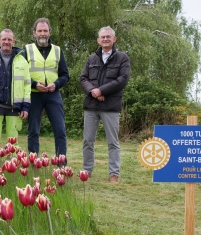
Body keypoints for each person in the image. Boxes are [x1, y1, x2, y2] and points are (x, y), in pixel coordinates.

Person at [79, 26, 131, 183]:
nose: (106, 39)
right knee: (88, 141)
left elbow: (122, 80)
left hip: (111, 106)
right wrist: (94, 92)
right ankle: (87, 171)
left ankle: (114, 174)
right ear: (98, 40)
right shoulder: (91, 59)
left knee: (113, 142)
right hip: (91, 105)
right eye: (103, 37)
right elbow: (83, 79)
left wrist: (101, 91)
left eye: (109, 36)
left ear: (114, 39)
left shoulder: (122, 58)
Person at [24, 18, 69, 164]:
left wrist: (56, 84)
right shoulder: (27, 50)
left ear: (50, 32)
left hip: (53, 95)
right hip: (33, 94)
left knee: (60, 130)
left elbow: (65, 75)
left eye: (45, 30)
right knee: (33, 131)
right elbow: (21, 75)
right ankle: (33, 162)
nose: (42, 34)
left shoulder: (58, 50)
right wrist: (34, 84)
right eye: (39, 31)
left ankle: (61, 165)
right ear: (34, 33)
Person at [0, 29, 31, 143]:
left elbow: (27, 85)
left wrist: (25, 107)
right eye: (4, 39)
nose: (6, 42)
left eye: (9, 39)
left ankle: (13, 160)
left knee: (13, 141)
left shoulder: (22, 60)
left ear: (14, 41)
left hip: (14, 106)